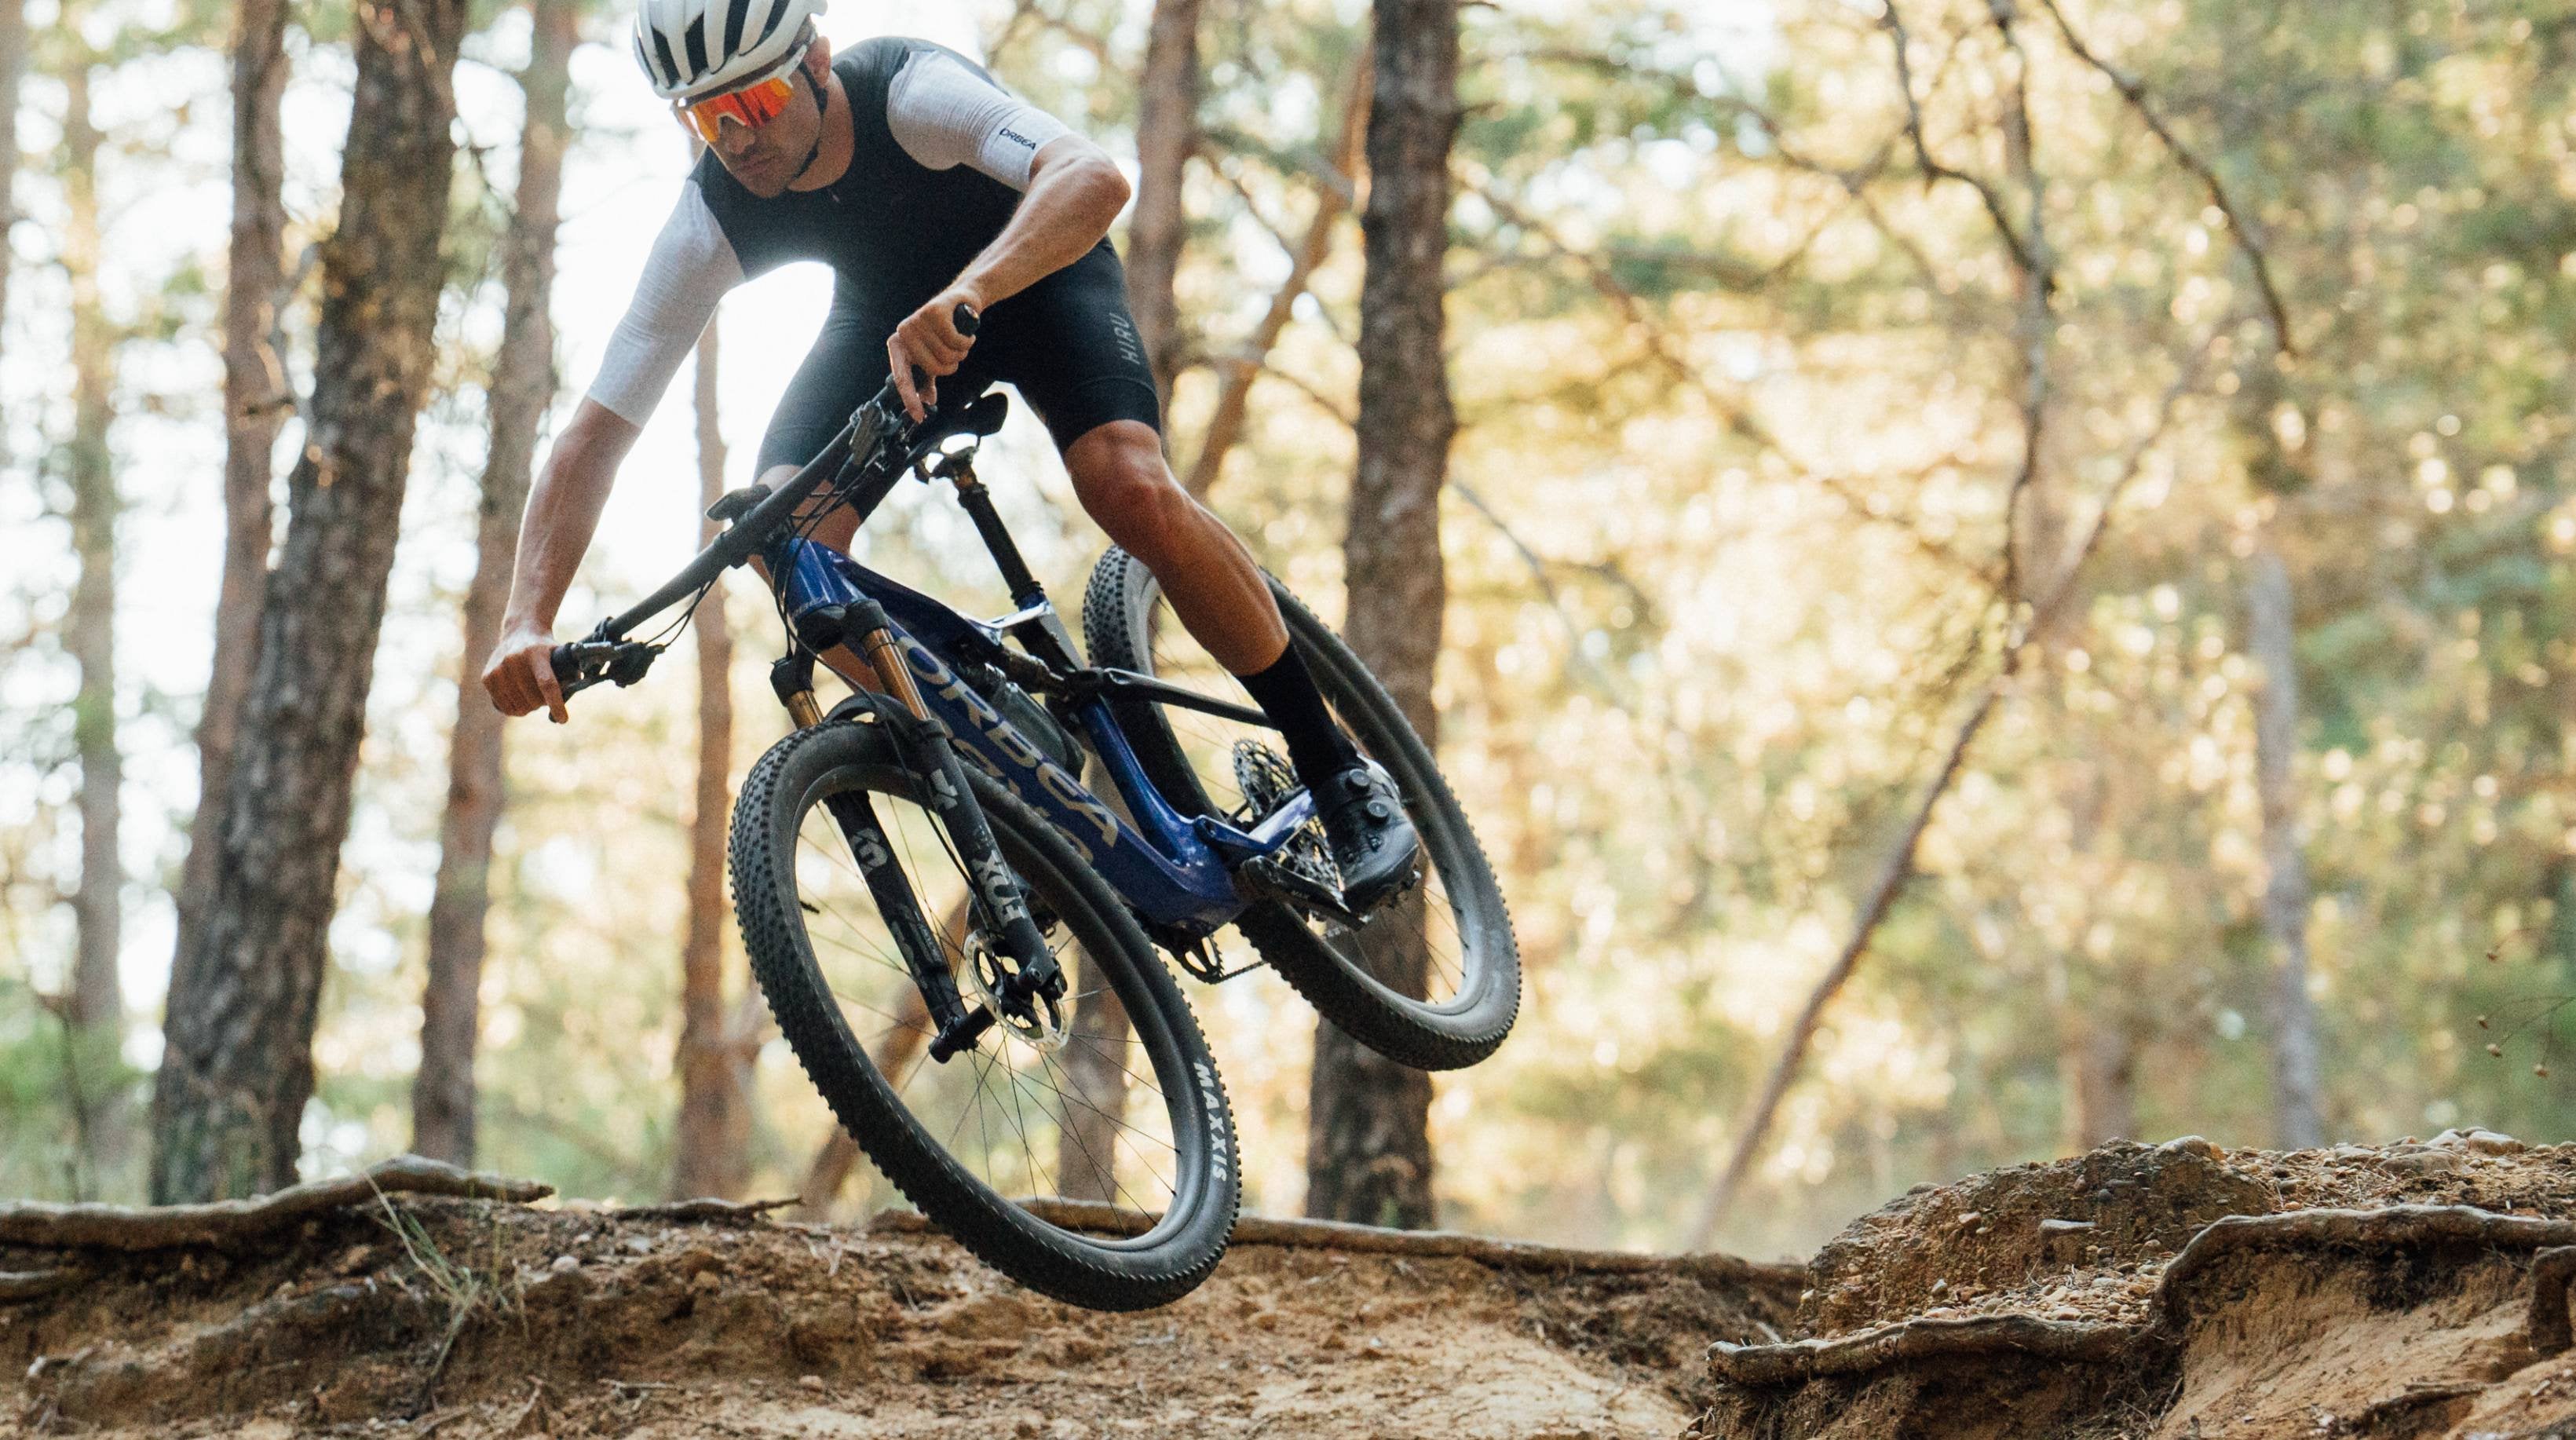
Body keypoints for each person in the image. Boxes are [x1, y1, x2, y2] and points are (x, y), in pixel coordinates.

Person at [479, 0, 1419, 908]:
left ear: (813, 60)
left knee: (1123, 483)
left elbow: (1089, 176)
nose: (735, 137)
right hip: (888, 328)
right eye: (704, 115)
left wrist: (971, 290)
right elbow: (598, 429)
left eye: (753, 103)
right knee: (782, 536)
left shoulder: (905, 92)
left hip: (1037, 275)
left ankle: (1336, 771)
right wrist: (527, 617)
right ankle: (1007, 752)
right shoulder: (714, 210)